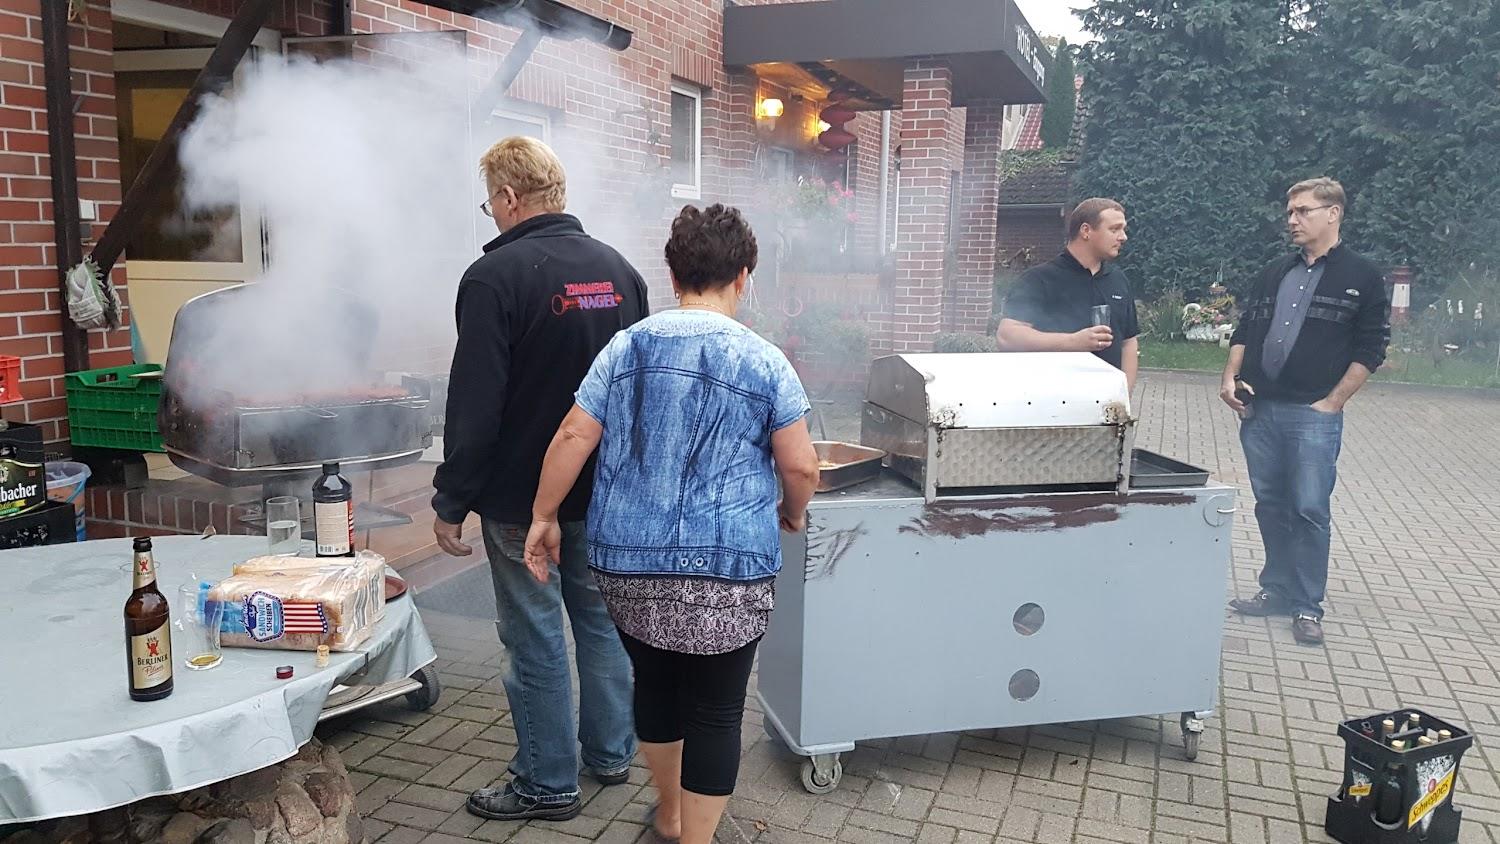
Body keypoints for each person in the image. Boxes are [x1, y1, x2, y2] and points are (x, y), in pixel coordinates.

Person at [523, 204, 820, 844]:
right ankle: (695, 838)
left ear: (674, 274)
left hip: (627, 562)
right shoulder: (765, 360)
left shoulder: (626, 346)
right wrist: (792, 512)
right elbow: (800, 466)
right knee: (716, 708)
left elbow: (574, 434)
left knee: (655, 684)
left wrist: (544, 516)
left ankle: (669, 811)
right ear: (743, 277)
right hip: (730, 569)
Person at [430, 136, 649, 821]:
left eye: (490, 202)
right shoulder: (620, 272)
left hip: (525, 501)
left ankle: (547, 782)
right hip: (605, 491)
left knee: (534, 634)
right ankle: (610, 753)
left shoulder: (492, 278)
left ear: (510, 197)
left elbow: (476, 402)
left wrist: (452, 497)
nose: (492, 214)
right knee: (602, 621)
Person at [1223, 177, 1390, 646]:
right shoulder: (1274, 271)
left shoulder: (1361, 276)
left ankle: (1306, 605)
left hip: (1312, 416)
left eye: (1303, 211)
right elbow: (1245, 329)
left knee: (1310, 509)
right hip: (1261, 411)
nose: (1292, 220)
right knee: (1271, 504)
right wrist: (1229, 377)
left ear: (1333, 213)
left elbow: (1372, 347)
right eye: (1290, 212)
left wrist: (1332, 403)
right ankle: (1276, 589)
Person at [996, 197, 1141, 391]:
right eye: (1114, 229)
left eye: (1123, 229)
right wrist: (1073, 342)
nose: (1123, 237)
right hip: (1052, 399)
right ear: (1086, 231)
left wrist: (1124, 395)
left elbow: (1128, 343)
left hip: (1106, 403)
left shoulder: (1118, 280)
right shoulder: (1039, 279)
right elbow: (1007, 336)